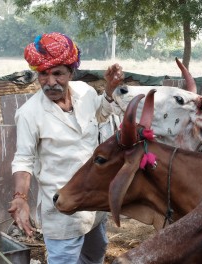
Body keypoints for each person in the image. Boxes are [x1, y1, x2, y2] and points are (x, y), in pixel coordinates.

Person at [7, 32, 124, 263]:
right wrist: (20, 197)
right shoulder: (29, 114)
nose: (50, 82)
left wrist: (109, 91)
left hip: (94, 200)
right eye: (43, 74)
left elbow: (100, 115)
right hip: (62, 206)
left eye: (58, 73)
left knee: (96, 253)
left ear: (71, 72)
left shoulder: (86, 92)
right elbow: (23, 159)